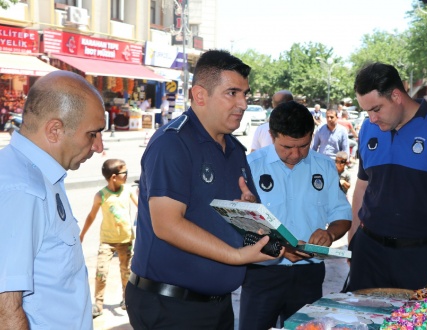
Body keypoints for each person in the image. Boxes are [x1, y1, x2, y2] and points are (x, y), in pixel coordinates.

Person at [126, 50, 283, 330]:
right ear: (200, 96)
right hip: (170, 308)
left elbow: (234, 225)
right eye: (232, 93)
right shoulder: (172, 144)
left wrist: (251, 217)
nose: (243, 103)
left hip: (216, 305)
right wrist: (235, 256)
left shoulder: (234, 150)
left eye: (245, 94)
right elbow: (167, 224)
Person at [346, 63, 427, 291]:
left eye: (376, 109)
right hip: (369, 252)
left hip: (424, 255)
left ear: (396, 96)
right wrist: (353, 238)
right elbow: (363, 187)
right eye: (366, 111)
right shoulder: (368, 129)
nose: (371, 118)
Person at [0, 71, 106, 328]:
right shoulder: (23, 190)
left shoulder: (36, 175)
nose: (99, 146)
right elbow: (6, 311)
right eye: (93, 134)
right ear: (55, 130)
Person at [240, 101, 352, 330]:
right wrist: (279, 249)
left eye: (303, 145)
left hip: (308, 274)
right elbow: (240, 224)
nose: (296, 154)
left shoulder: (324, 166)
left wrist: (329, 234)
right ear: (272, 135)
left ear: (312, 135)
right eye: (287, 147)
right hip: (263, 273)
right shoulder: (251, 166)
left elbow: (342, 214)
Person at [79, 159, 138, 318]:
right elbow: (91, 216)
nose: (126, 175)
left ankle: (126, 299)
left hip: (126, 240)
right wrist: (82, 234)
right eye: (124, 173)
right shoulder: (101, 195)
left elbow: (141, 207)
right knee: (101, 272)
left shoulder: (128, 191)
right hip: (107, 241)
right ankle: (98, 304)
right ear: (113, 177)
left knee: (127, 273)